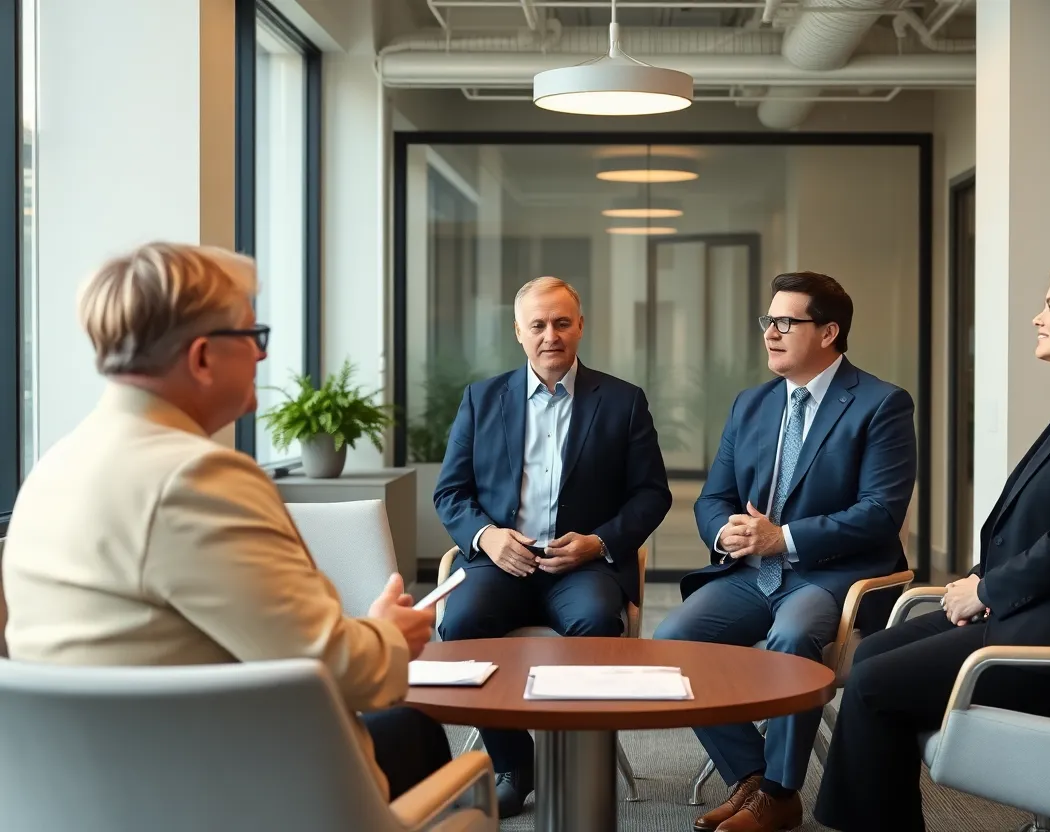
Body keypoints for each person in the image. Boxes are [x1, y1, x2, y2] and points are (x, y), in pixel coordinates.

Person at [2, 242, 451, 801]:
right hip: (216, 794)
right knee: (417, 732)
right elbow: (330, 669)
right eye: (252, 335)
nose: (263, 356)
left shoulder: (54, 467)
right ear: (202, 358)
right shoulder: (195, 478)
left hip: (86, 791)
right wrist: (391, 636)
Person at [813, 265, 1050, 832]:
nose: (1037, 316)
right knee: (874, 656)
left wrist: (987, 590)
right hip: (1027, 614)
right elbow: (1034, 529)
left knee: (874, 686)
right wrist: (976, 583)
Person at [654, 271, 917, 832]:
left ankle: (779, 790)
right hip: (751, 572)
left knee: (794, 635)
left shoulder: (881, 404)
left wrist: (786, 537)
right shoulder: (752, 404)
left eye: (786, 322)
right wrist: (723, 532)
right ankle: (753, 777)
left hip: (830, 576)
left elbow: (880, 513)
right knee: (674, 641)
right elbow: (714, 497)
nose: (771, 333)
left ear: (828, 332)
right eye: (767, 321)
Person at [433, 276, 672, 817]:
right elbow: (451, 491)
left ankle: (575, 762)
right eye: (537, 324)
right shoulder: (481, 398)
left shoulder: (622, 401)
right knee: (460, 624)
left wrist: (599, 542)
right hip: (503, 562)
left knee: (594, 623)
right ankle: (517, 762)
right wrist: (487, 537)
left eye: (562, 322)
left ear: (580, 327)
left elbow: (652, 494)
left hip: (581, 566)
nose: (550, 335)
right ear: (518, 332)